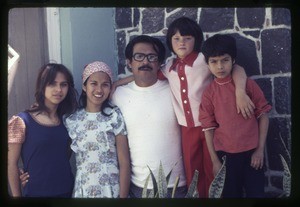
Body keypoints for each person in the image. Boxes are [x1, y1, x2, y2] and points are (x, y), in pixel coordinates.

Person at [113, 17, 255, 198]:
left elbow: (236, 68)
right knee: (192, 170)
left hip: (209, 126)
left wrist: (240, 92)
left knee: (213, 167)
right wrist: (118, 83)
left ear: (196, 40)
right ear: (170, 42)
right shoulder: (169, 66)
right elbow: (144, 72)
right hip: (187, 129)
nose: (182, 42)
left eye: (187, 38)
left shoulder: (204, 59)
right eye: (176, 38)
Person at [111, 35, 187, 198]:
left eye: (151, 57)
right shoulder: (117, 95)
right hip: (138, 186)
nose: (145, 62)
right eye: (139, 56)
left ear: (159, 62)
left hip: (177, 186)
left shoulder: (175, 88)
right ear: (129, 62)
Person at [199, 34, 272, 198]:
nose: (220, 66)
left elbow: (263, 115)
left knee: (256, 194)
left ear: (233, 60)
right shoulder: (209, 94)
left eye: (225, 60)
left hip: (252, 154)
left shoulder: (248, 85)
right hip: (226, 157)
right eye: (214, 61)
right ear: (207, 63)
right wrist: (215, 161)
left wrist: (260, 150)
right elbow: (208, 129)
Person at [7, 63, 78, 197]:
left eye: (63, 84)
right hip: (36, 193)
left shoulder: (68, 120)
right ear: (42, 86)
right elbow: (11, 164)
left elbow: (62, 155)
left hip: (67, 191)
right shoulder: (21, 121)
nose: (58, 89)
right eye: (52, 84)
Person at [64, 61, 130, 198]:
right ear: (84, 86)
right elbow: (62, 158)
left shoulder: (114, 116)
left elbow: (124, 163)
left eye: (105, 85)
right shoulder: (72, 119)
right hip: (84, 190)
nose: (99, 90)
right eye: (93, 83)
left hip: (112, 190)